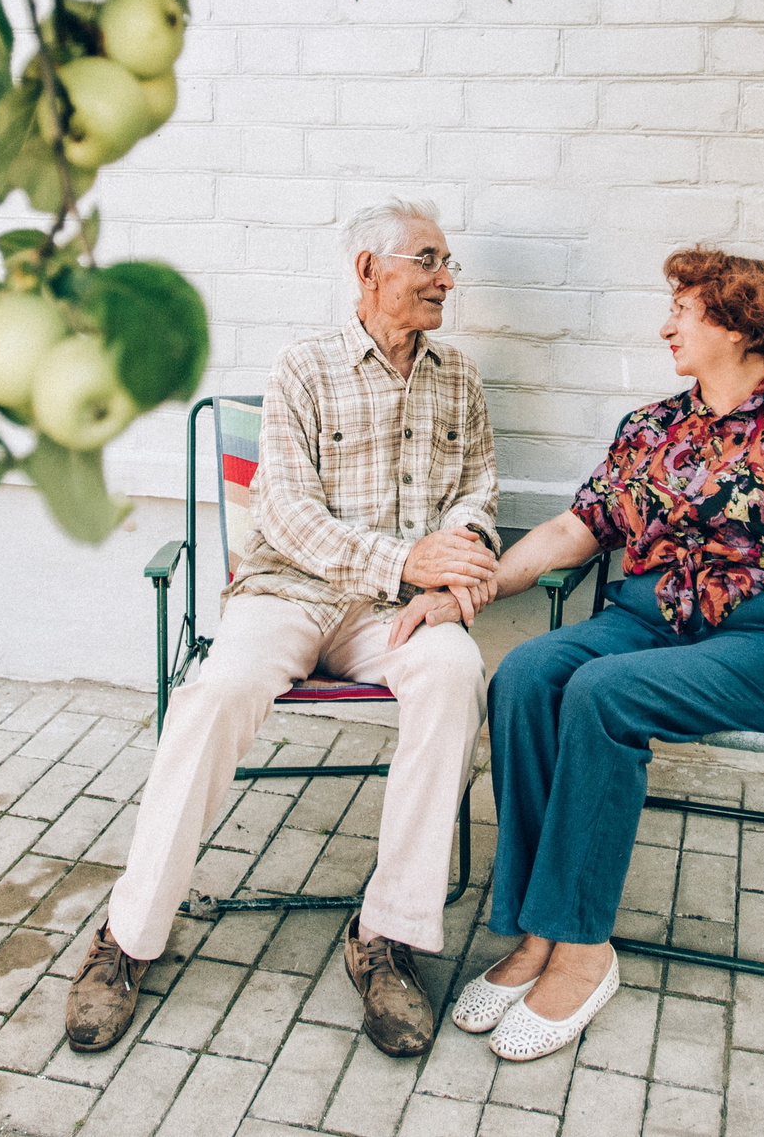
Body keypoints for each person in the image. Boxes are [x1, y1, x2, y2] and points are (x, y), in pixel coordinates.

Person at [390, 247, 764, 1062]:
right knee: (527, 675)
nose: (665, 324)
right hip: (650, 621)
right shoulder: (652, 428)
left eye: (685, 309)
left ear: (740, 323)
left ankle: (584, 946)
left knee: (603, 692)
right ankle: (537, 928)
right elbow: (576, 530)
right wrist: (472, 586)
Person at [66, 197, 501, 1059]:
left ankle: (387, 935)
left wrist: (457, 578)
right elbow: (288, 514)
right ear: (368, 270)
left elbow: (478, 496)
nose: (446, 279)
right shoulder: (302, 368)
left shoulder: (460, 378)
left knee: (455, 673)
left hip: (397, 611)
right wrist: (406, 561)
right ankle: (129, 935)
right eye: (427, 259)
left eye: (450, 263)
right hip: (289, 592)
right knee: (216, 690)